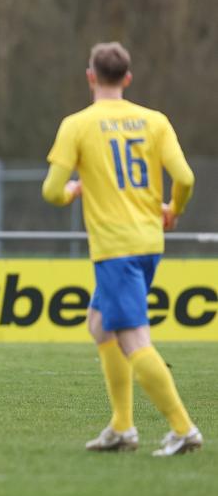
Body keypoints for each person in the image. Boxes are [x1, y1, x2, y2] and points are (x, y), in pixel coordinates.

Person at [42, 42, 201, 456]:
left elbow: (52, 191)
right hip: (149, 241)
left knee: (133, 339)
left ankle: (183, 430)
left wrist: (73, 190)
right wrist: (173, 210)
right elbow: (184, 178)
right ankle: (122, 426)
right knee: (99, 325)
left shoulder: (78, 124)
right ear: (127, 79)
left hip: (115, 247)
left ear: (91, 76)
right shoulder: (155, 121)